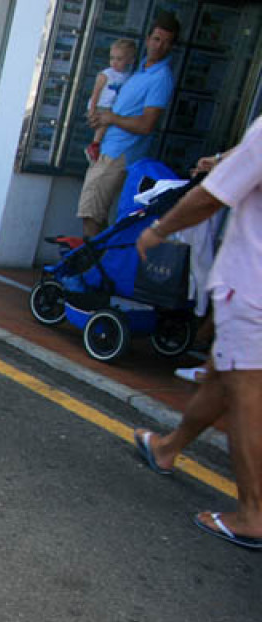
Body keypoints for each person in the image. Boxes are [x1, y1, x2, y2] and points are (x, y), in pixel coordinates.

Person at [131, 128, 262, 549]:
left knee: (246, 394)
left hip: (253, 289)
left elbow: (211, 196)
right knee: (222, 375)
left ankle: (253, 514)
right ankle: (168, 447)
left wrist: (159, 228)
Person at [78, 12, 179, 237]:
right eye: (156, 39)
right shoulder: (138, 69)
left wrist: (111, 119)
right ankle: (98, 264)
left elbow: (146, 125)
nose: (159, 46)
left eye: (166, 42)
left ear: (171, 47)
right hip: (107, 147)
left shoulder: (161, 78)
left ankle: (90, 267)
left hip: (121, 152)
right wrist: (100, 117)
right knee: (95, 213)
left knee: (91, 213)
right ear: (147, 39)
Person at [84, 38, 136, 163]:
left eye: (119, 59)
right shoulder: (106, 74)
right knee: (103, 124)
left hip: (113, 108)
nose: (114, 62)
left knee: (109, 127)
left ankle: (98, 146)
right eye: (112, 58)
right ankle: (94, 145)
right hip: (101, 106)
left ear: (130, 60)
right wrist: (92, 110)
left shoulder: (128, 76)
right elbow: (95, 93)